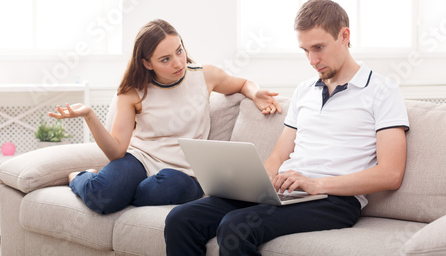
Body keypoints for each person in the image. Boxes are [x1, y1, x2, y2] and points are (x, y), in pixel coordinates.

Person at [164, 0, 410, 255]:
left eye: (318, 47)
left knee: (236, 227)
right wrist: (259, 184)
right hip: (289, 193)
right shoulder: (304, 91)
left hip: (334, 200)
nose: (312, 60)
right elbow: (279, 155)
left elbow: (390, 174)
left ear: (344, 35)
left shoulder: (382, 90)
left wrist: (316, 184)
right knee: (181, 219)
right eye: (305, 50)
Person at [48, 19, 281, 215]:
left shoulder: (204, 76)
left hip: (184, 173)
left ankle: (122, 190)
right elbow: (117, 152)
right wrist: (89, 115)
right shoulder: (132, 93)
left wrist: (255, 92)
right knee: (103, 196)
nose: (178, 63)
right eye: (165, 59)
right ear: (147, 63)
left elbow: (242, 83)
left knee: (172, 186)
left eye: (179, 51)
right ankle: (80, 178)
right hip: (140, 160)